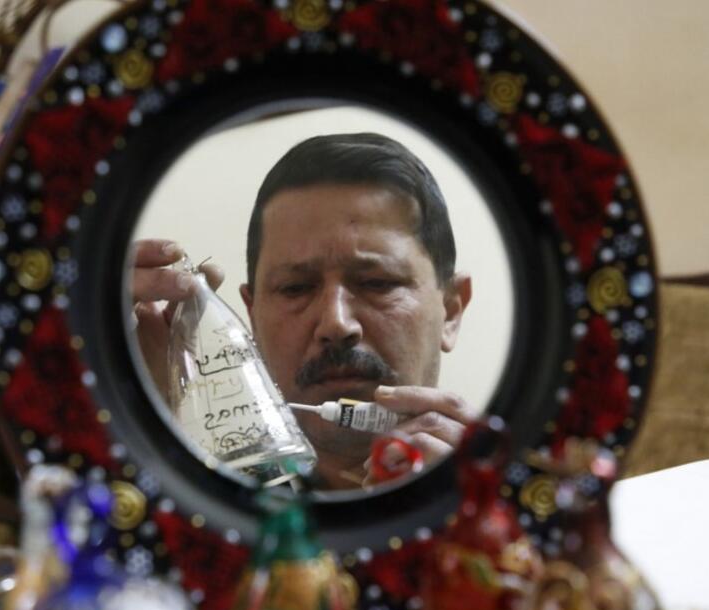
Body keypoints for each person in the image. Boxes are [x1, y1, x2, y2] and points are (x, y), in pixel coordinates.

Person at [131, 132, 477, 489]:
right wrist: (143, 435)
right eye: (295, 288)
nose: (336, 323)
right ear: (252, 318)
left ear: (451, 311)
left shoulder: (506, 498)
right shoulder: (177, 494)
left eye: (377, 283)